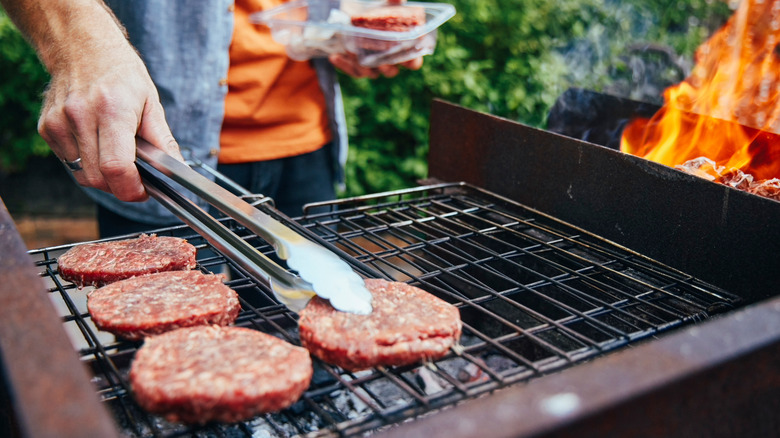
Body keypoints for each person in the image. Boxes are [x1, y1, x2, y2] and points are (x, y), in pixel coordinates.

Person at [1, 0, 421, 236]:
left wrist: (352, 26)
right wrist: (81, 46)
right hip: (156, 156)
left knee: (314, 349)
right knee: (159, 360)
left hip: (306, 144)